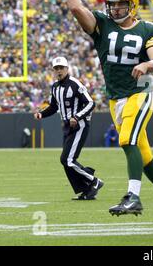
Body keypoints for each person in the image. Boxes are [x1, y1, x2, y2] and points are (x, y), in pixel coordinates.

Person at [64, 0, 153, 228]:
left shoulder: (149, 29)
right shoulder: (103, 25)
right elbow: (77, 7)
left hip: (141, 94)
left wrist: (147, 64)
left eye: (121, 4)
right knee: (144, 158)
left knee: (127, 139)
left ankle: (133, 196)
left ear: (132, 6)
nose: (115, 8)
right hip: (116, 100)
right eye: (112, 4)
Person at [34, 56, 104, 200]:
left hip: (79, 125)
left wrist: (77, 117)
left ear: (67, 69)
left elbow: (91, 103)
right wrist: (41, 114)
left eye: (61, 68)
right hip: (67, 126)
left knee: (67, 159)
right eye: (56, 68)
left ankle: (94, 181)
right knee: (66, 160)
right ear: (53, 70)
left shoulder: (75, 84)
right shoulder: (55, 87)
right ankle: (87, 190)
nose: (59, 71)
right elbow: (53, 107)